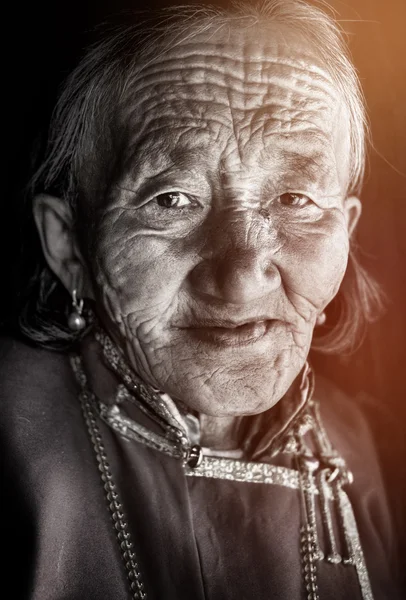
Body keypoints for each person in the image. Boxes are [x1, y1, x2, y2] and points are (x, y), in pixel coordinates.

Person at [1, 1, 403, 598]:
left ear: (344, 229)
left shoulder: (378, 454)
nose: (241, 278)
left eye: (295, 198)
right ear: (69, 245)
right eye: (171, 199)